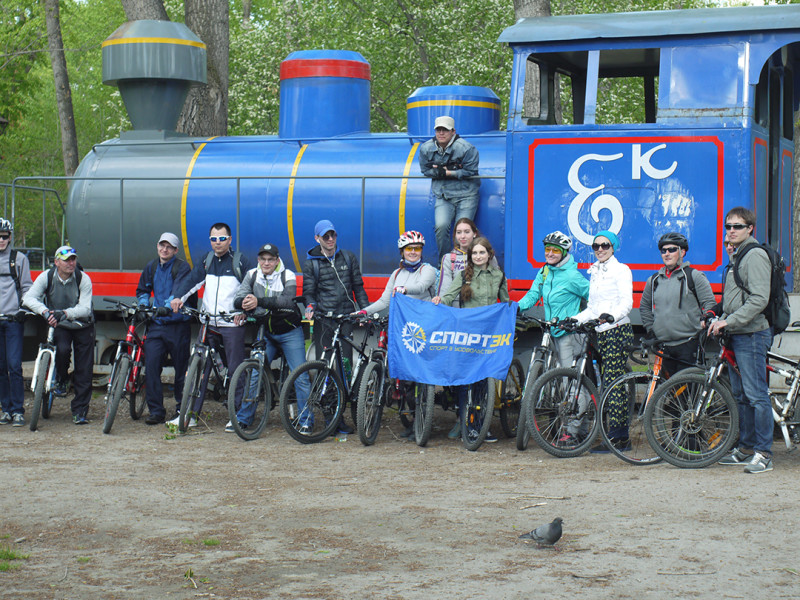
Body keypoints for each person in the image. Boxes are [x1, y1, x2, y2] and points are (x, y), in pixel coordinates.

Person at [356, 231, 437, 439]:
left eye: (417, 248)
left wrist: (404, 289)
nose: (413, 252)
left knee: (417, 376)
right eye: (409, 249)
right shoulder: (396, 274)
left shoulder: (427, 270)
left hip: (423, 329)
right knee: (405, 378)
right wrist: (364, 311)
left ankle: (423, 418)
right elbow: (385, 301)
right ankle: (411, 420)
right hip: (404, 329)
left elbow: (421, 287)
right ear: (402, 251)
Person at [711, 207, 774, 474]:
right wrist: (718, 317)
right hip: (738, 334)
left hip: (752, 334)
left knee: (757, 395)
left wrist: (729, 320)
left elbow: (760, 299)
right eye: (728, 227)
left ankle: (764, 454)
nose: (731, 231)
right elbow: (734, 301)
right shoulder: (737, 257)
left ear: (750, 228)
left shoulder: (755, 255)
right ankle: (746, 448)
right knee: (742, 396)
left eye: (737, 226)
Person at [170, 223, 251, 428]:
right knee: (198, 369)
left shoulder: (239, 261)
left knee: (235, 369)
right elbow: (192, 280)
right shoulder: (206, 260)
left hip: (231, 324)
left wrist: (244, 311)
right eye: (213, 239)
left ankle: (237, 417)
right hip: (208, 322)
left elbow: (250, 289)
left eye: (222, 238)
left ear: (229, 240)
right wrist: (178, 297)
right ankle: (190, 415)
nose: (217, 243)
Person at [433, 237, 508, 441]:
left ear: (489, 255)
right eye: (474, 253)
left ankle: (481, 424)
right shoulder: (463, 276)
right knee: (467, 381)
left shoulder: (499, 276)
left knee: (483, 381)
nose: (477, 256)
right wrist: (440, 300)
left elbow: (506, 302)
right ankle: (468, 423)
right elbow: (449, 296)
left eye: (481, 253)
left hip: (488, 334)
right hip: (468, 334)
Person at [232, 243, 310, 431]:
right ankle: (244, 418)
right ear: (259, 260)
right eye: (263, 259)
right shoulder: (252, 275)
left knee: (301, 376)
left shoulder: (287, 275)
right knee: (254, 372)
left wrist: (258, 301)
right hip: (266, 332)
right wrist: (244, 304)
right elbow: (237, 299)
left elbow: (288, 302)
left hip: (290, 331)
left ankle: (306, 421)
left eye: (270, 259)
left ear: (277, 261)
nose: (266, 263)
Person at [302, 219, 368, 434]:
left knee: (345, 368)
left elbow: (358, 287)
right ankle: (332, 420)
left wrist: (366, 311)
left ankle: (344, 415)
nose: (330, 240)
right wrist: (310, 306)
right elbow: (309, 292)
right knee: (326, 370)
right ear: (317, 238)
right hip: (325, 322)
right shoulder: (312, 263)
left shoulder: (348, 258)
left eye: (333, 235)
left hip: (346, 320)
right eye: (325, 236)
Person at [572, 231, 633, 452]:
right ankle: (608, 434)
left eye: (604, 245)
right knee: (604, 383)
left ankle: (620, 439)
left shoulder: (621, 270)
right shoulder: (595, 271)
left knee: (613, 384)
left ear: (613, 247)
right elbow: (592, 308)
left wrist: (611, 316)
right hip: (600, 331)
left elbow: (627, 302)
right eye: (595, 246)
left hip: (616, 330)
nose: (599, 249)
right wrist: (574, 319)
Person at [23, 246, 95, 424]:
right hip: (60, 323)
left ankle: (80, 411)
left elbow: (85, 308)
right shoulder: (46, 276)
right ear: (56, 262)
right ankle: (62, 378)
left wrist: (66, 313)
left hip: (83, 324)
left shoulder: (83, 278)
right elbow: (28, 298)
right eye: (67, 260)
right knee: (61, 350)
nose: (71, 263)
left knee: (84, 370)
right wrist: (45, 312)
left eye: (73, 259)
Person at [640, 232, 716, 377]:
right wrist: (651, 328)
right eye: (664, 250)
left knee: (687, 394)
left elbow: (709, 303)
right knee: (666, 394)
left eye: (672, 249)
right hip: (663, 346)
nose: (667, 254)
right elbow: (644, 306)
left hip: (688, 344)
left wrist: (704, 322)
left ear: (682, 252)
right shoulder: (654, 280)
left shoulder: (694, 276)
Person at [136, 232, 192, 425]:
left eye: (169, 246)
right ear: (157, 246)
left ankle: (180, 409)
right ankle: (156, 411)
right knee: (151, 367)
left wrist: (166, 307)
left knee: (181, 369)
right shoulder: (151, 267)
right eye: (162, 245)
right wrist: (144, 306)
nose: (164, 249)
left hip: (178, 325)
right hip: (157, 326)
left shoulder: (182, 268)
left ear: (176, 250)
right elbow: (143, 289)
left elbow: (179, 290)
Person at [518, 230, 589, 373]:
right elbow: (533, 294)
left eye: (555, 250)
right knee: (552, 373)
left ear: (564, 252)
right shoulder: (545, 271)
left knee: (568, 379)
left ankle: (580, 396)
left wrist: (585, 318)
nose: (550, 253)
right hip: (551, 329)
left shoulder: (572, 276)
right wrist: (517, 307)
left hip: (569, 333)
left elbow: (593, 296)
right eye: (547, 249)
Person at [418, 116, 480, 261]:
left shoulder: (466, 148)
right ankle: (445, 263)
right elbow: (425, 170)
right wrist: (439, 171)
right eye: (438, 130)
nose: (441, 133)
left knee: (463, 232)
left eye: (445, 130)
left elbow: (471, 172)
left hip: (467, 195)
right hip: (443, 195)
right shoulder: (426, 148)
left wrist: (448, 172)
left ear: (453, 131)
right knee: (441, 226)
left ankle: (465, 263)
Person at [0, 219, 32, 427]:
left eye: (4, 236)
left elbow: (27, 287)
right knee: (1, 368)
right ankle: (6, 409)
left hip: (12, 321)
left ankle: (18, 410)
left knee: (14, 366)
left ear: (10, 237)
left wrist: (23, 310)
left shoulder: (18, 259)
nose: (1, 240)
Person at [437, 217, 498, 305]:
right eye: (459, 232)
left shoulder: (488, 256)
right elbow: (444, 289)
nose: (462, 236)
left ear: (474, 234)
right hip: (457, 308)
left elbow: (496, 284)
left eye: (467, 232)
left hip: (482, 307)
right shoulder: (448, 258)